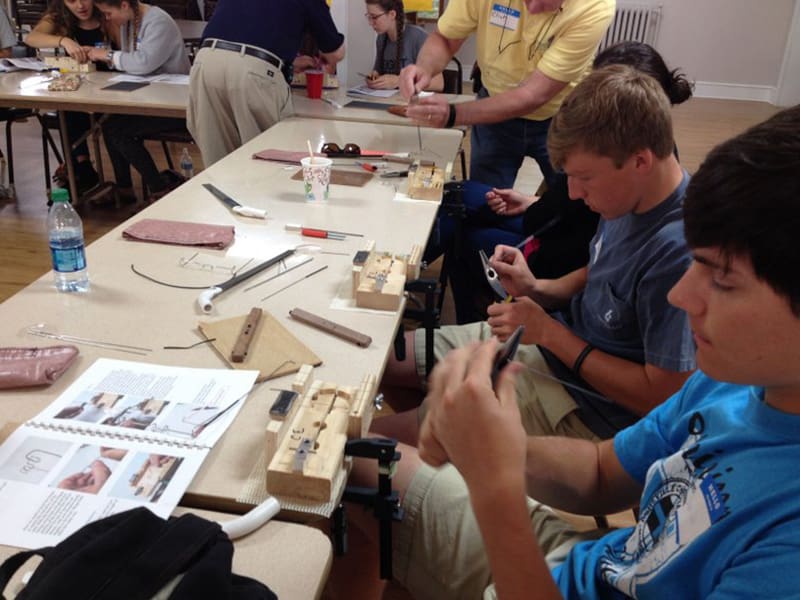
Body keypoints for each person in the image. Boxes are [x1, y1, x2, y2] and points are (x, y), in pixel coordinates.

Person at [344, 103, 800, 600]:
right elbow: (604, 471)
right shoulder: (728, 383)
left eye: (723, 281)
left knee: (360, 462)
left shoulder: (786, 553)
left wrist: (497, 487)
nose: (681, 295)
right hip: (589, 564)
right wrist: (496, 448)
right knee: (358, 459)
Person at [379, 66, 696, 444]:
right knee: (383, 360)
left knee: (365, 446)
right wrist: (537, 288)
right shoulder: (631, 197)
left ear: (640, 161)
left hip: (588, 407)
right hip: (550, 348)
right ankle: (438, 439)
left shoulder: (680, 253)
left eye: (585, 178)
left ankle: (439, 446)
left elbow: (660, 396)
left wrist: (550, 334)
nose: (574, 194)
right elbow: (600, 274)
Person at [435, 41, 694, 324]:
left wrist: (547, 324)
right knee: (461, 198)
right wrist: (531, 202)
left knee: (467, 233)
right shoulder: (624, 177)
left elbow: (588, 260)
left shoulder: (639, 203)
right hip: (547, 229)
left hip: (552, 247)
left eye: (583, 178)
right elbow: (590, 249)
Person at [400, 0, 615, 189]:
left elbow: (532, 95)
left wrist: (453, 114)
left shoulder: (594, 6)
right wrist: (424, 69)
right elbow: (446, 38)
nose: (531, 8)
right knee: (485, 202)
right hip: (493, 110)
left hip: (563, 117)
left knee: (572, 207)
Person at [187, 0, 345, 167]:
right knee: (270, 160)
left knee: (217, 163)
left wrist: (287, 62)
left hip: (205, 62)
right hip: (251, 73)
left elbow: (244, 31)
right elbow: (336, 53)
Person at [85, 0, 190, 202]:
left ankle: (159, 188)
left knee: (119, 131)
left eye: (108, 13)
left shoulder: (158, 21)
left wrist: (107, 55)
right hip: (151, 99)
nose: (107, 18)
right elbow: (130, 62)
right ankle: (124, 188)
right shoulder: (131, 21)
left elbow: (143, 63)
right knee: (108, 124)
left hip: (174, 105)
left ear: (124, 5)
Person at [25, 0, 111, 195]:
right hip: (82, 87)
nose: (80, 6)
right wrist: (64, 40)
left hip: (112, 85)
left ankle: (96, 175)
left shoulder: (108, 12)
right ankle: (81, 168)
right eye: (72, 1)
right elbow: (32, 37)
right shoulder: (61, 16)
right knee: (67, 109)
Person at [364, 0, 443, 92]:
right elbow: (378, 72)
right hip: (391, 101)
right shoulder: (381, 38)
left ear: (392, 14)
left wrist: (398, 81)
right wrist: (374, 78)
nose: (370, 23)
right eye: (369, 17)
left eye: (374, 17)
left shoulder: (418, 37)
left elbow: (438, 83)